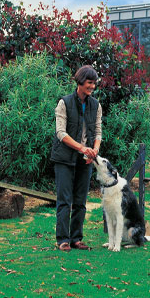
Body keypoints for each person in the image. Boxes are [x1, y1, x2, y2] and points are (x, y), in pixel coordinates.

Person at [51, 65, 102, 252]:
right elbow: (60, 133)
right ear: (80, 82)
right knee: (64, 200)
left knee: (80, 201)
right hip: (64, 158)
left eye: (94, 83)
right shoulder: (64, 103)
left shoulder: (95, 105)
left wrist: (94, 151)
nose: (92, 87)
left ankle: (76, 239)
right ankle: (62, 240)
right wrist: (82, 148)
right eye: (89, 83)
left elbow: (98, 131)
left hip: (85, 159)